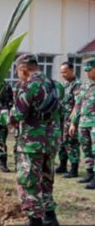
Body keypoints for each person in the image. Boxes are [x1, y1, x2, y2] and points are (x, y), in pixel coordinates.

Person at [0, 54, 60, 226]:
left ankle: (34, 221)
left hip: (32, 144)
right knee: (46, 179)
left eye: (17, 72)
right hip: (51, 141)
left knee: (29, 182)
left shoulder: (29, 86)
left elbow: (15, 116)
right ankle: (50, 218)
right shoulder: (54, 84)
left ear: (23, 69)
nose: (18, 75)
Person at [69, 57, 95, 189]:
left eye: (89, 70)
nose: (87, 73)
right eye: (86, 70)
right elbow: (77, 106)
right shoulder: (84, 86)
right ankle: (90, 173)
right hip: (83, 124)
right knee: (86, 149)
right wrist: (73, 123)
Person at [56, 62, 81, 178]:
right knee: (61, 142)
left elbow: (77, 104)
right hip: (62, 117)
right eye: (61, 72)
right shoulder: (65, 84)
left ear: (72, 70)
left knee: (71, 143)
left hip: (70, 119)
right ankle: (62, 165)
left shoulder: (77, 85)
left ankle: (74, 168)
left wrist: (72, 122)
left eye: (65, 72)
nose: (63, 75)